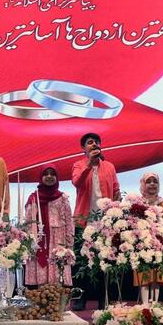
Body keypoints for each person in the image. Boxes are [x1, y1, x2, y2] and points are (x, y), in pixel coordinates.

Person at [71, 132, 120, 310]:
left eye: (97, 142)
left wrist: (115, 211)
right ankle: (80, 298)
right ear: (83, 148)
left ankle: (103, 298)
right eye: (90, 142)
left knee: (104, 260)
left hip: (105, 222)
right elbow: (77, 182)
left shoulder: (109, 166)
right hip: (83, 220)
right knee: (82, 262)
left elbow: (116, 190)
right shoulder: (78, 165)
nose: (94, 144)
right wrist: (89, 164)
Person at [23, 164, 74, 287]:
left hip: (58, 240)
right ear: (41, 177)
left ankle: (58, 296)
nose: (49, 176)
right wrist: (30, 240)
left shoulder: (63, 198)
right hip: (39, 238)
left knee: (58, 270)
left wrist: (69, 243)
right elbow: (28, 221)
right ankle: (40, 295)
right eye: (46, 174)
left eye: (52, 174)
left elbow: (69, 221)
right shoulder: (34, 197)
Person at [133, 172, 163, 304]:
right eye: (149, 181)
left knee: (156, 275)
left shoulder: (162, 202)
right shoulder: (138, 202)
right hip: (142, 243)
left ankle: (154, 304)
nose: (152, 184)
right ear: (143, 184)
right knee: (144, 273)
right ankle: (145, 305)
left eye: (155, 181)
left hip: (159, 243)